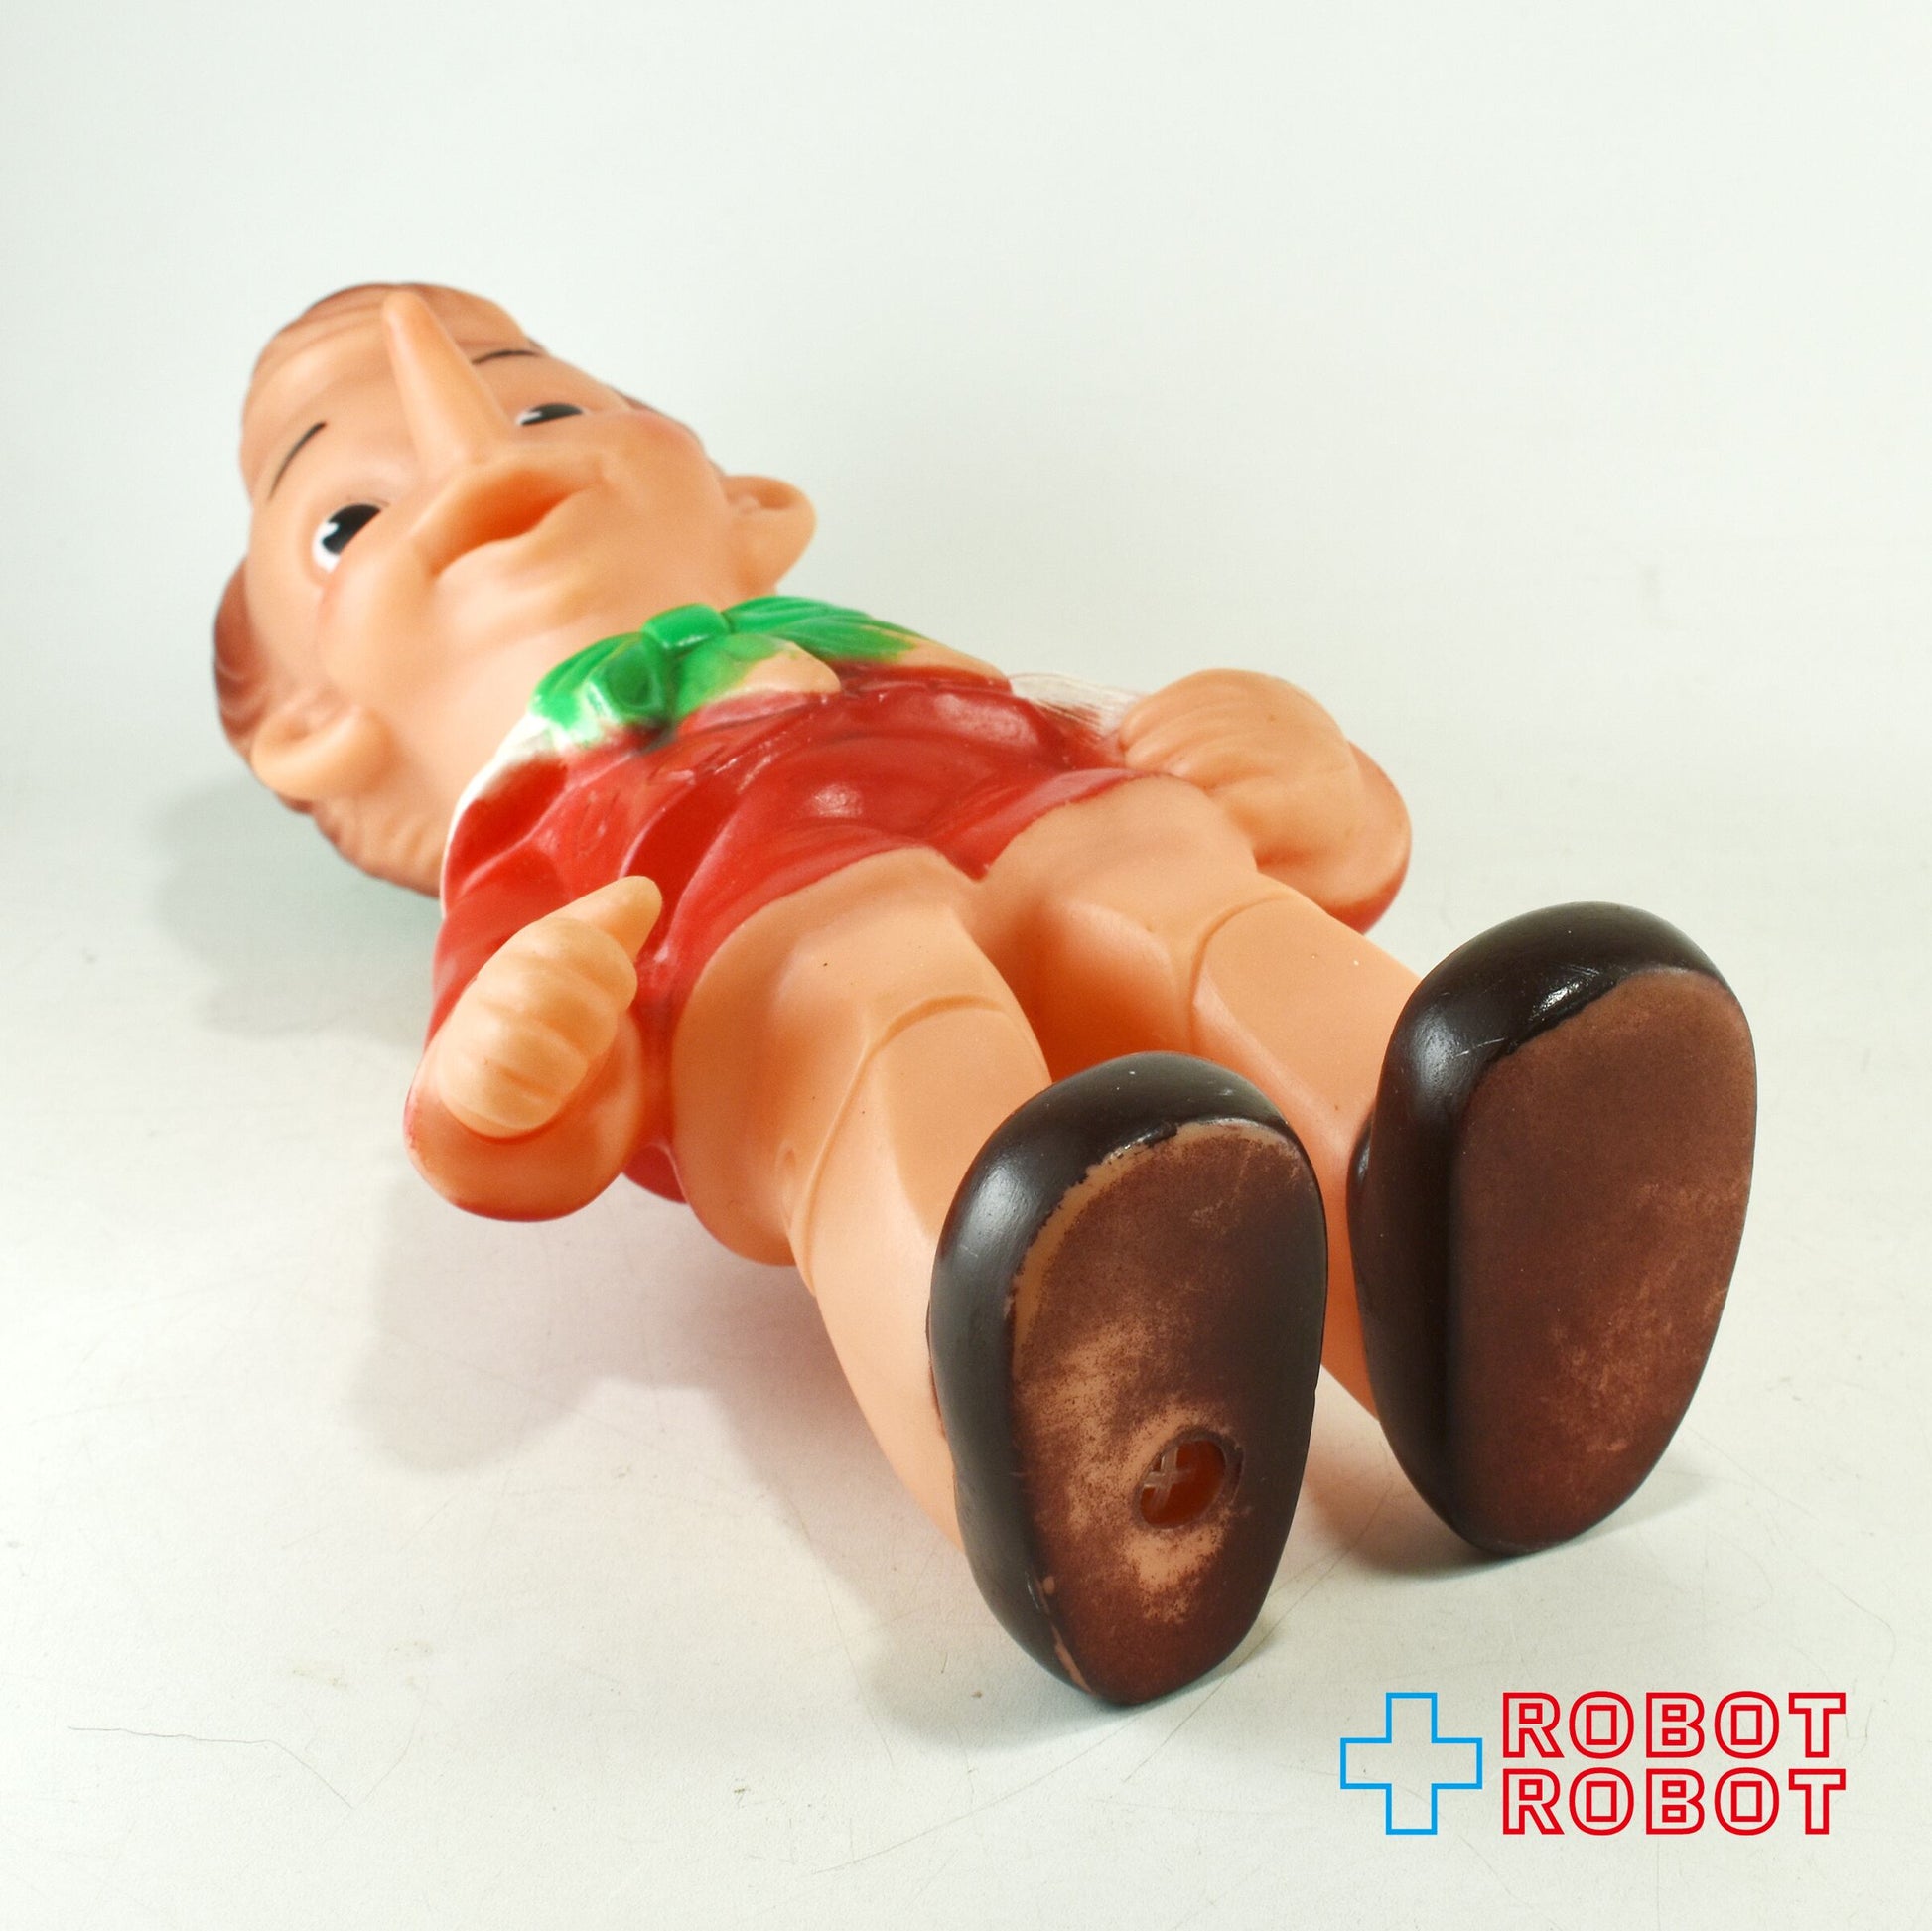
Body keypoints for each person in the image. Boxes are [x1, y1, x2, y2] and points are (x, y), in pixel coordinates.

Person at [215, 283, 1756, 1703]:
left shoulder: (915, 663)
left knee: (1198, 910)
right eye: (347, 520)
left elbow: (1295, 829)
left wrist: (1295, 771)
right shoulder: (530, 819)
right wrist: (522, 1060)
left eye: (544, 405)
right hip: (758, 922)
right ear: (318, 731)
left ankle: (1491, 1250)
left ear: (748, 506)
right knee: (874, 1019)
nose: (478, 456)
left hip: (1051, 796)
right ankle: (1059, 1374)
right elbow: (519, 1121)